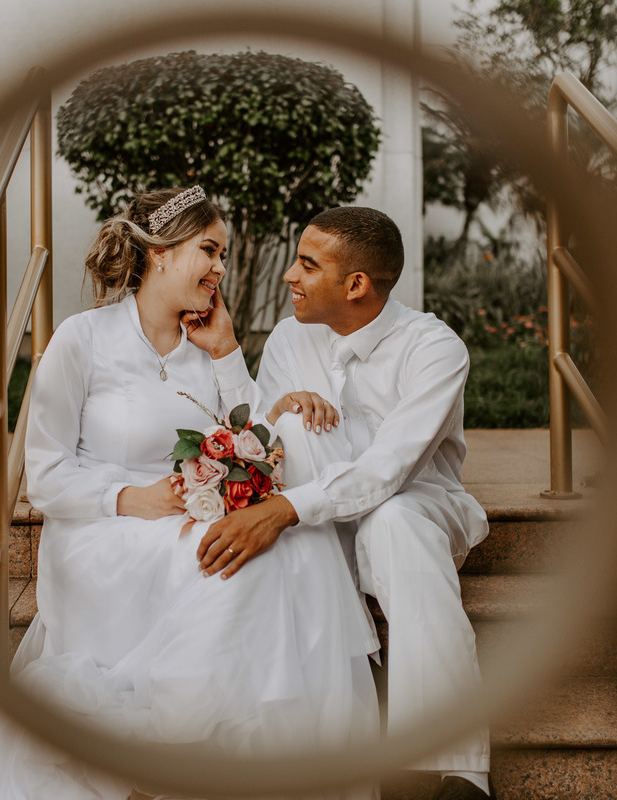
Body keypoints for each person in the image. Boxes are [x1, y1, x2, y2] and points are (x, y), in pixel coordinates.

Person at [0, 187, 379, 800]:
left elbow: (251, 441)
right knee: (249, 563)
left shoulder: (204, 344)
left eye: (223, 255)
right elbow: (44, 476)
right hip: (102, 534)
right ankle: (182, 741)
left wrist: (227, 351)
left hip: (187, 523)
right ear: (160, 255)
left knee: (297, 545)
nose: (220, 269)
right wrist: (133, 498)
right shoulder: (82, 339)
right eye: (209, 250)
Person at [196, 207, 492, 799]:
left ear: (356, 285)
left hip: (421, 505)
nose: (290, 277)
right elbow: (261, 441)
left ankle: (454, 771)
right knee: (297, 425)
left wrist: (281, 511)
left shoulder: (434, 347)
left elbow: (393, 467)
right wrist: (258, 386)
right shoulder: (288, 337)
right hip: (320, 534)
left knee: (396, 521)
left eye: (307, 264)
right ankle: (365, 649)